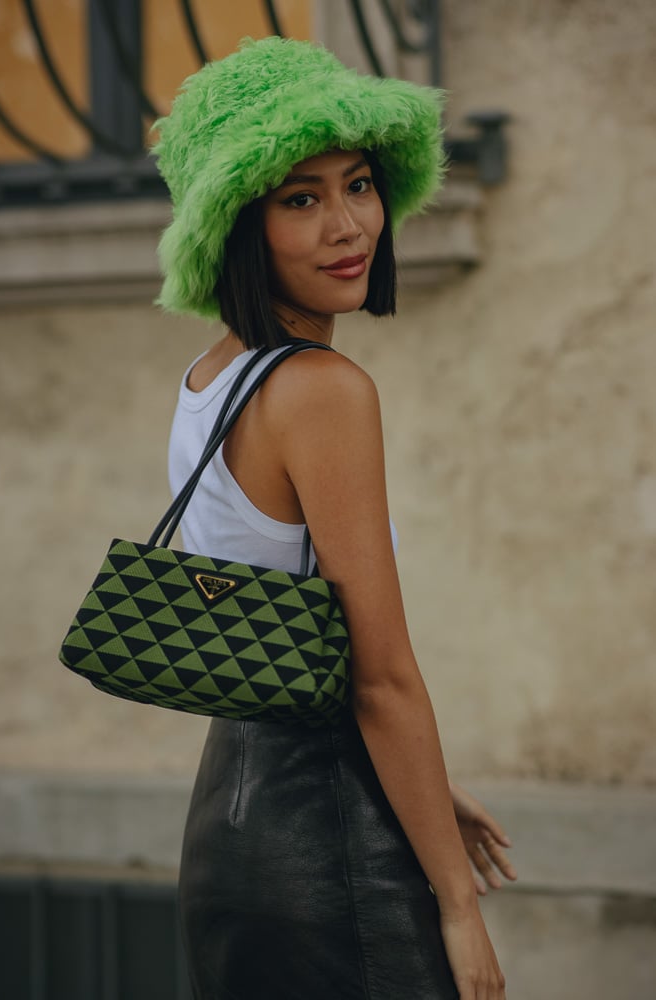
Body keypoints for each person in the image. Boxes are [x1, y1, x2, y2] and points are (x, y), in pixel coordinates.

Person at [154, 36, 516, 1000]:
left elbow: (277, 637)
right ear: (238, 224)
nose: (349, 225)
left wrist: (427, 793)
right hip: (329, 851)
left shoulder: (210, 379)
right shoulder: (323, 390)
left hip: (230, 832)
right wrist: (455, 902)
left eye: (357, 185)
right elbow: (379, 678)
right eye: (299, 199)